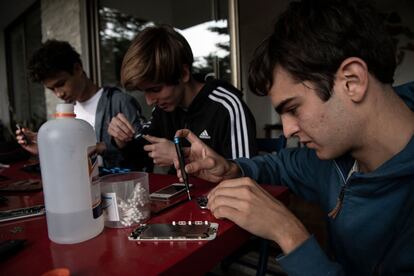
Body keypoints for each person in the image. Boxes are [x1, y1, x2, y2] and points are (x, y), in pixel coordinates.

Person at [173, 0, 414, 275]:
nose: (287, 130)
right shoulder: (336, 157)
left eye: (293, 108)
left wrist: (288, 233)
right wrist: (233, 168)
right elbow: (283, 165)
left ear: (352, 82)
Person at [108, 25, 257, 169]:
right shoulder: (164, 110)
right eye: (144, 91)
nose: (149, 101)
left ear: (183, 74)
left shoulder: (227, 107)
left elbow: (246, 175)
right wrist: (122, 141)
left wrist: (181, 156)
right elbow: (141, 157)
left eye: (155, 89)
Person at [15, 40, 150, 170]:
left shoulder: (119, 102)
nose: (58, 94)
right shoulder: (66, 113)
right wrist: (44, 148)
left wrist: (111, 146)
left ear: (78, 69)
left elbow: (145, 156)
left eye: (60, 84)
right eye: (52, 89)